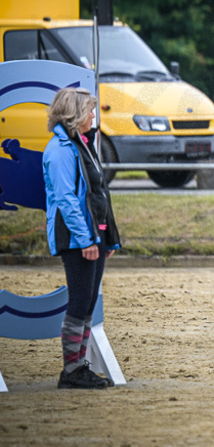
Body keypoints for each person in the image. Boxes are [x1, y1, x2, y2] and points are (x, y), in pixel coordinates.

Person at [43, 87, 121, 389]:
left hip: (92, 235)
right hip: (78, 237)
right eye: (89, 110)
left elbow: (98, 193)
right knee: (79, 302)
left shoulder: (82, 143)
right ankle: (72, 370)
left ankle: (78, 366)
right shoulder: (60, 150)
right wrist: (86, 239)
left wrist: (107, 237)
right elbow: (66, 199)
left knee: (87, 302)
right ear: (74, 114)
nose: (93, 115)